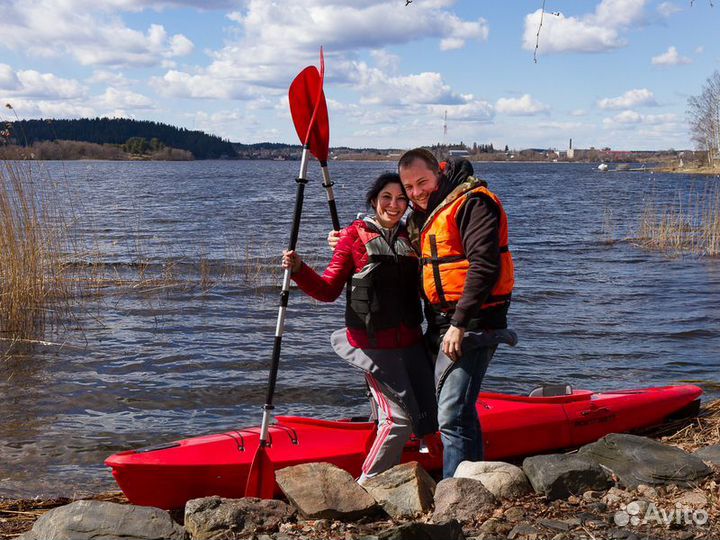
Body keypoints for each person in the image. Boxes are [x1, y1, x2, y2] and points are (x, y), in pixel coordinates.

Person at [282, 172, 438, 484]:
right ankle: (366, 486)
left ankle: (389, 464)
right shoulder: (354, 237)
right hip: (372, 346)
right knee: (397, 421)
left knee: (418, 414)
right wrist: (299, 269)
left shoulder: (414, 237)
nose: (393, 205)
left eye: (400, 199)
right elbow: (327, 290)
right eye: (386, 198)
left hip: (410, 345)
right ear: (373, 201)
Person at [397, 148, 516, 479]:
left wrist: (459, 324)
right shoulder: (424, 213)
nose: (417, 192)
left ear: (439, 172)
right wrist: (345, 240)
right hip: (440, 322)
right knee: (459, 409)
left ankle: (453, 493)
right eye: (409, 188)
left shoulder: (473, 202)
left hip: (474, 322)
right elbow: (387, 236)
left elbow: (486, 266)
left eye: (422, 181)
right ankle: (475, 482)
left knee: (450, 413)